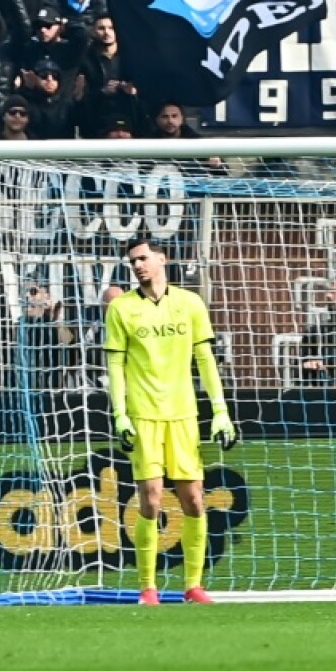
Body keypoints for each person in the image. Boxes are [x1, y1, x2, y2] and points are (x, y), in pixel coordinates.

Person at [104, 236, 237, 606]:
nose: (137, 266)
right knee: (151, 498)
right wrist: (120, 414)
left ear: (162, 259)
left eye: (143, 258)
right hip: (143, 415)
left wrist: (220, 410)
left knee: (193, 498)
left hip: (183, 415)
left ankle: (193, 585)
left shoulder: (190, 304)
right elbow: (115, 365)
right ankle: (148, 588)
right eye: (132, 261)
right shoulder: (121, 309)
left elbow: (205, 359)